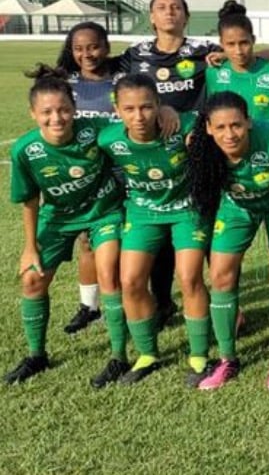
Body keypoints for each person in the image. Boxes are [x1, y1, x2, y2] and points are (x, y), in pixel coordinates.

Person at [5, 68, 127, 387]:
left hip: (104, 213)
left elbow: (133, 124)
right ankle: (36, 355)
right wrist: (30, 246)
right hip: (57, 218)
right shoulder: (24, 151)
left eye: (63, 109)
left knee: (109, 273)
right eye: (46, 112)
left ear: (74, 108)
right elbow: (30, 200)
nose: (56, 118)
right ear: (33, 114)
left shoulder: (94, 130)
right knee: (32, 279)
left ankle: (118, 357)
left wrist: (169, 113)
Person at [187, 92, 269, 391]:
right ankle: (228, 359)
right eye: (221, 127)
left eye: (236, 125)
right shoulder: (202, 146)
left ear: (249, 122)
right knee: (220, 275)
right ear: (208, 128)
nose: (230, 134)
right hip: (236, 206)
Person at [98, 74, 211, 386]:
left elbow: (214, 118)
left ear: (158, 105)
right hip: (143, 213)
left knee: (189, 277)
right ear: (117, 110)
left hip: (186, 210)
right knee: (131, 281)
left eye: (147, 107)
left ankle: (199, 356)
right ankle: (148, 354)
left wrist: (175, 111)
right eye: (129, 109)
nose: (139, 116)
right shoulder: (108, 139)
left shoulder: (183, 126)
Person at [118, 0, 220, 331]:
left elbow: (241, 53)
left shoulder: (203, 51)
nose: (169, 12)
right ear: (151, 17)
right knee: (159, 238)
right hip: (154, 156)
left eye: (176, 6)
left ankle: (223, 302)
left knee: (203, 227)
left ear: (186, 15)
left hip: (198, 150)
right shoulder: (136, 55)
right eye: (161, 7)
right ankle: (163, 303)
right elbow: (104, 74)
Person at [57, 22, 122, 335]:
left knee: (119, 243)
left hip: (122, 174)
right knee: (87, 243)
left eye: (94, 46)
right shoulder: (66, 85)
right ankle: (89, 306)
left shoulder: (122, 82)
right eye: (79, 48)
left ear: (107, 47)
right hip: (86, 178)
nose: (87, 54)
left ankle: (124, 303)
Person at [205, 1, 269, 123]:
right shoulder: (213, 74)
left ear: (253, 40)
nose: (238, 51)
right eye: (231, 44)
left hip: (268, 142)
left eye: (244, 43)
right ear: (221, 43)